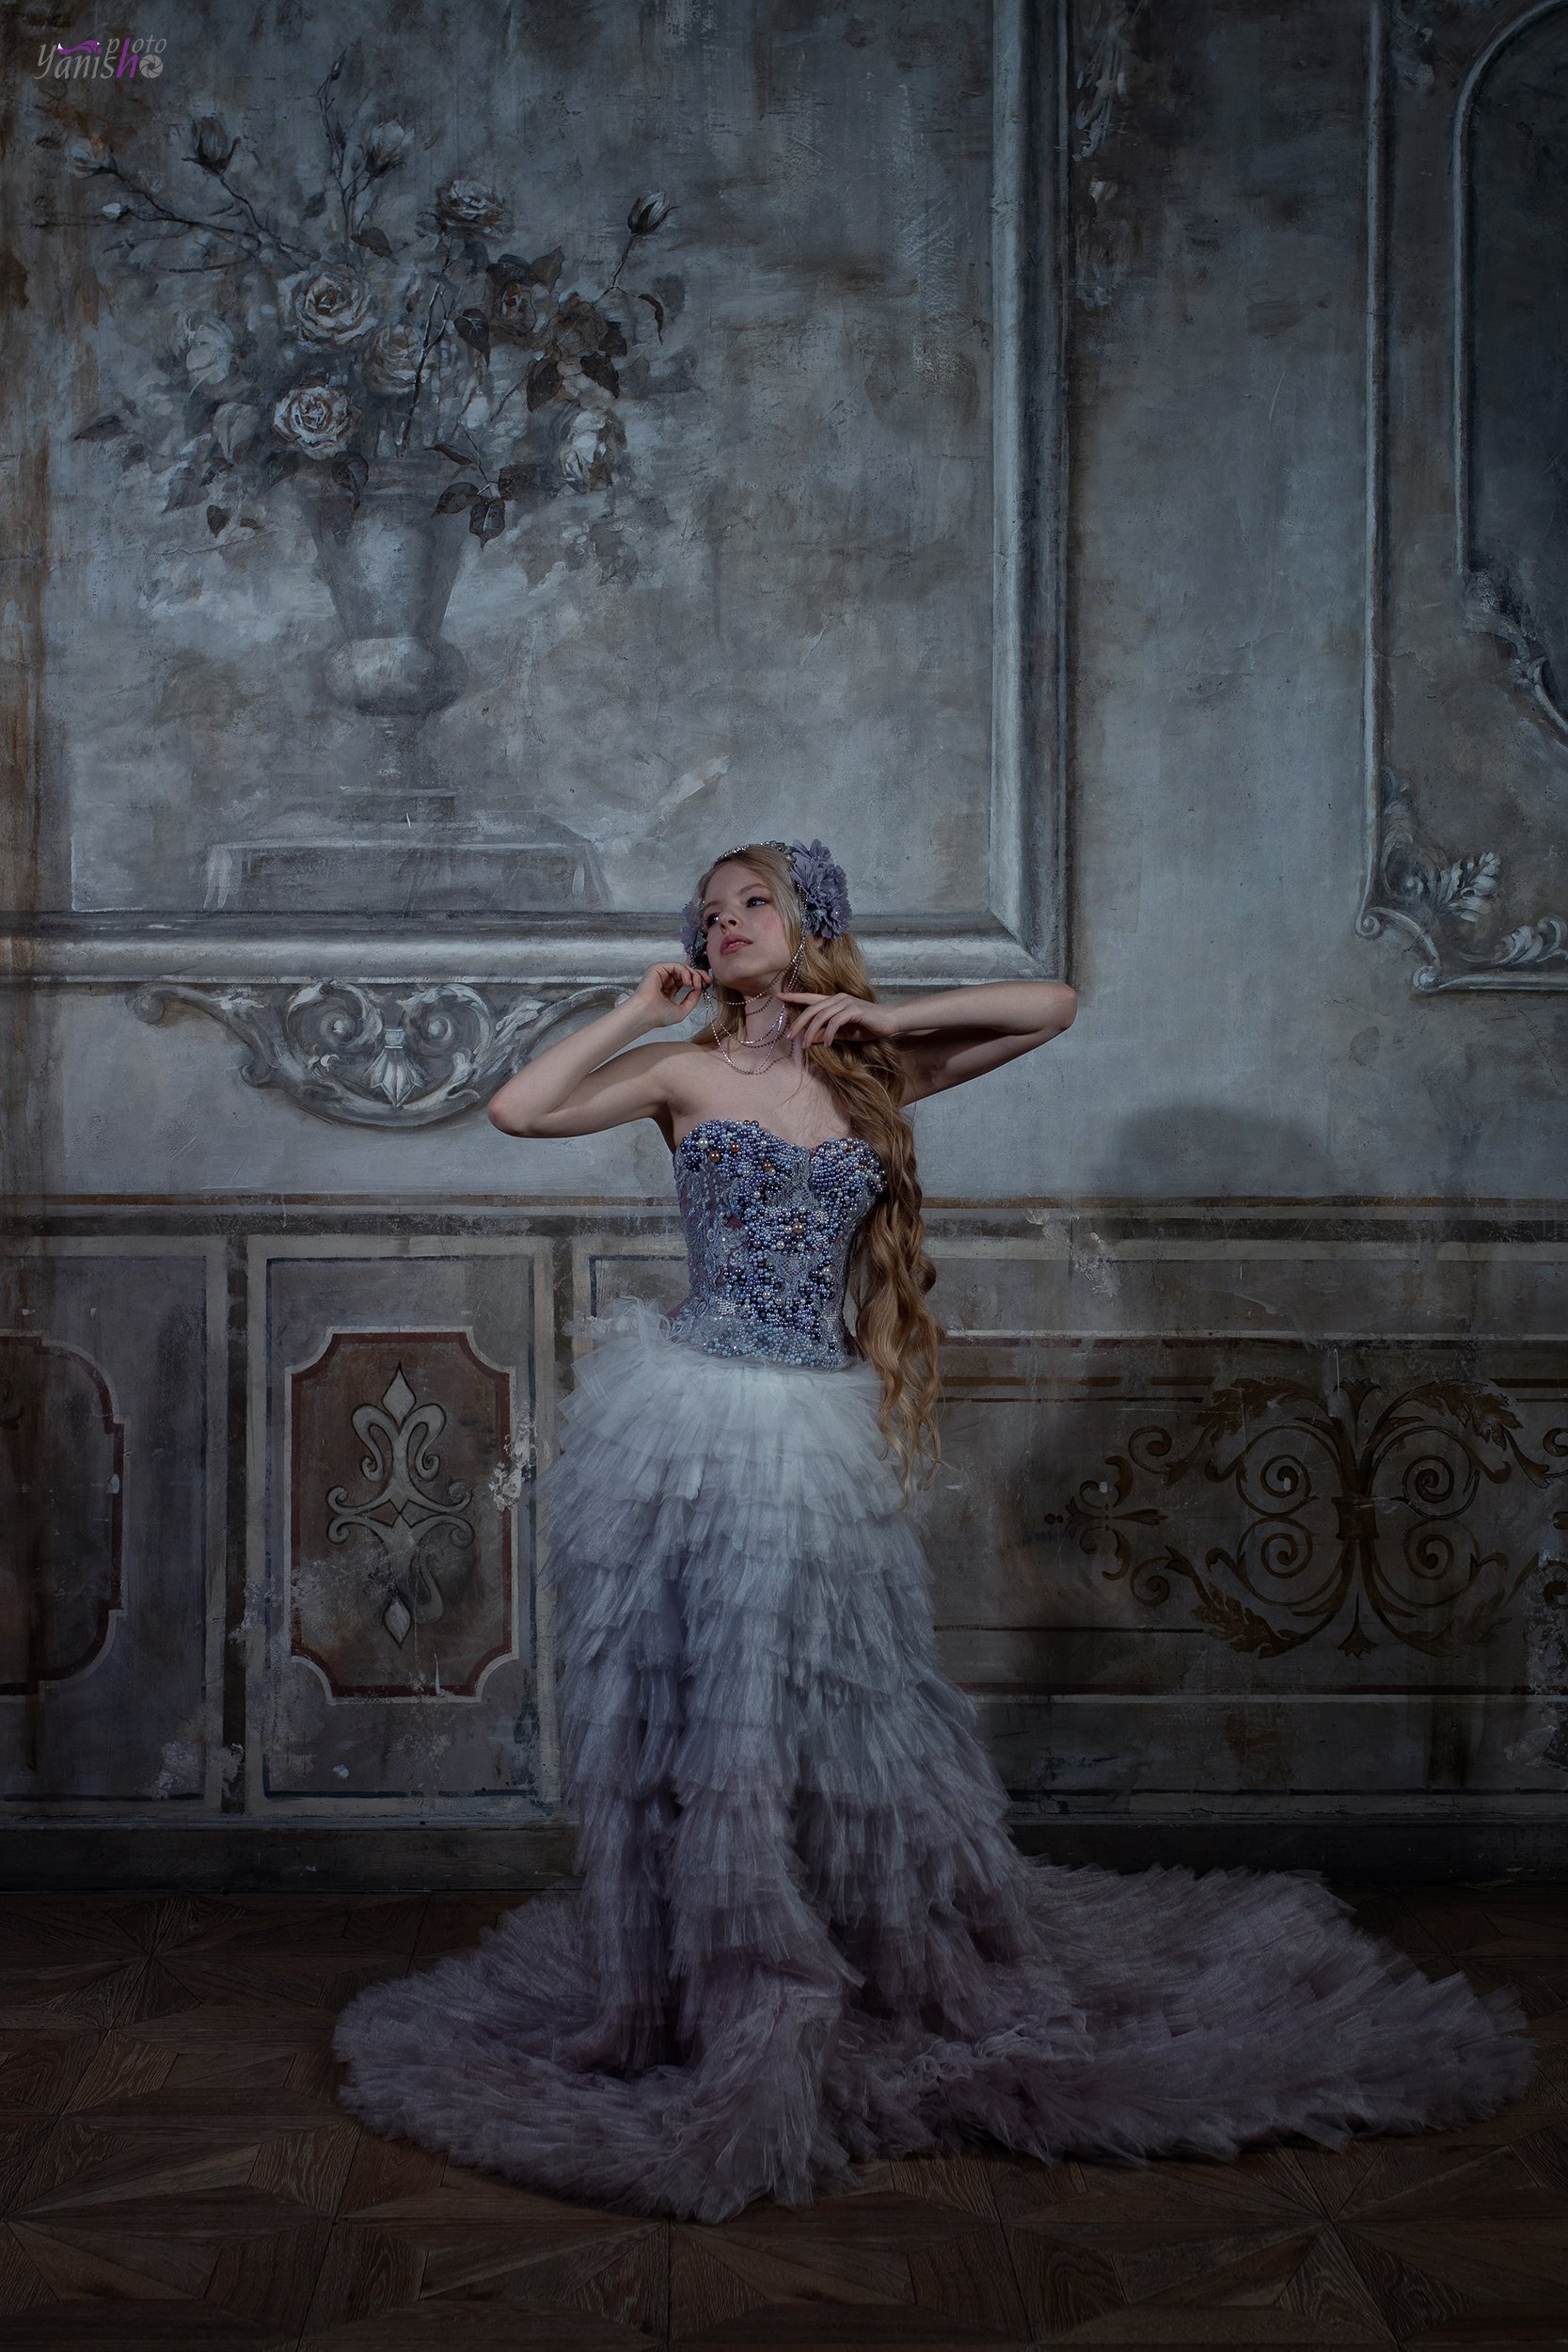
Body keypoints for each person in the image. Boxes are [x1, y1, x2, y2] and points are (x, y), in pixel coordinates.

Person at [332, 836, 1531, 2224]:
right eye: (710, 912)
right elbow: (518, 1111)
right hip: (693, 1420)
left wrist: (879, 1019)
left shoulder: (872, 1076)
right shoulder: (683, 1073)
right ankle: (717, 1981)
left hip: (814, 1425)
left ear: (810, 923)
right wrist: (635, 1007)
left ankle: (835, 1954)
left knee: (836, 1708)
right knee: (704, 1713)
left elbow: (1052, 1004)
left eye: (756, 902)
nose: (727, 923)